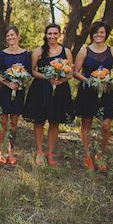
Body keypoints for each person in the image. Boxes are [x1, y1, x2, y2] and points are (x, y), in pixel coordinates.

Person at [73, 21, 113, 172]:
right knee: (86, 125)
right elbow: (75, 72)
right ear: (92, 34)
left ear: (106, 34)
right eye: (96, 32)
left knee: (106, 125)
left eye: (101, 32)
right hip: (88, 91)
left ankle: (100, 155)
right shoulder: (84, 51)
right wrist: (89, 81)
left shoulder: (112, 51)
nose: (99, 35)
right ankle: (87, 156)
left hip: (107, 91)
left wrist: (111, 81)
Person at [23, 24, 74, 165]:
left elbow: (70, 73)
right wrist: (47, 77)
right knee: (39, 121)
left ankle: (50, 153)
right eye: (49, 33)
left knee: (54, 121)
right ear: (45, 35)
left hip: (60, 89)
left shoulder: (66, 51)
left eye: (55, 33)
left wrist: (60, 80)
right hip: (40, 89)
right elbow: (32, 71)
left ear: (59, 34)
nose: (52, 36)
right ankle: (39, 151)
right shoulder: (38, 51)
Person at [0, 26, 31, 164]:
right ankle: (1, 149)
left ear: (18, 36)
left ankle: (11, 150)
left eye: (12, 35)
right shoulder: (1, 55)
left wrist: (20, 82)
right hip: (4, 91)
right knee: (3, 121)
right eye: (8, 36)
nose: (10, 38)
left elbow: (29, 74)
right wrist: (8, 84)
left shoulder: (26, 54)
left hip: (19, 91)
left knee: (14, 122)